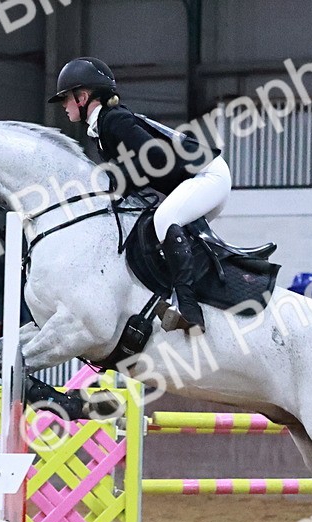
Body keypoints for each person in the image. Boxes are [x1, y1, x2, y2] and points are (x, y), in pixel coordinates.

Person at [48, 56, 231, 331]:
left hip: (208, 175)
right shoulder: (103, 126)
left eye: (66, 98)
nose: (64, 105)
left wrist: (116, 177)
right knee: (148, 230)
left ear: (83, 97)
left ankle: (190, 311)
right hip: (188, 181)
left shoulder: (114, 120)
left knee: (164, 220)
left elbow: (154, 157)